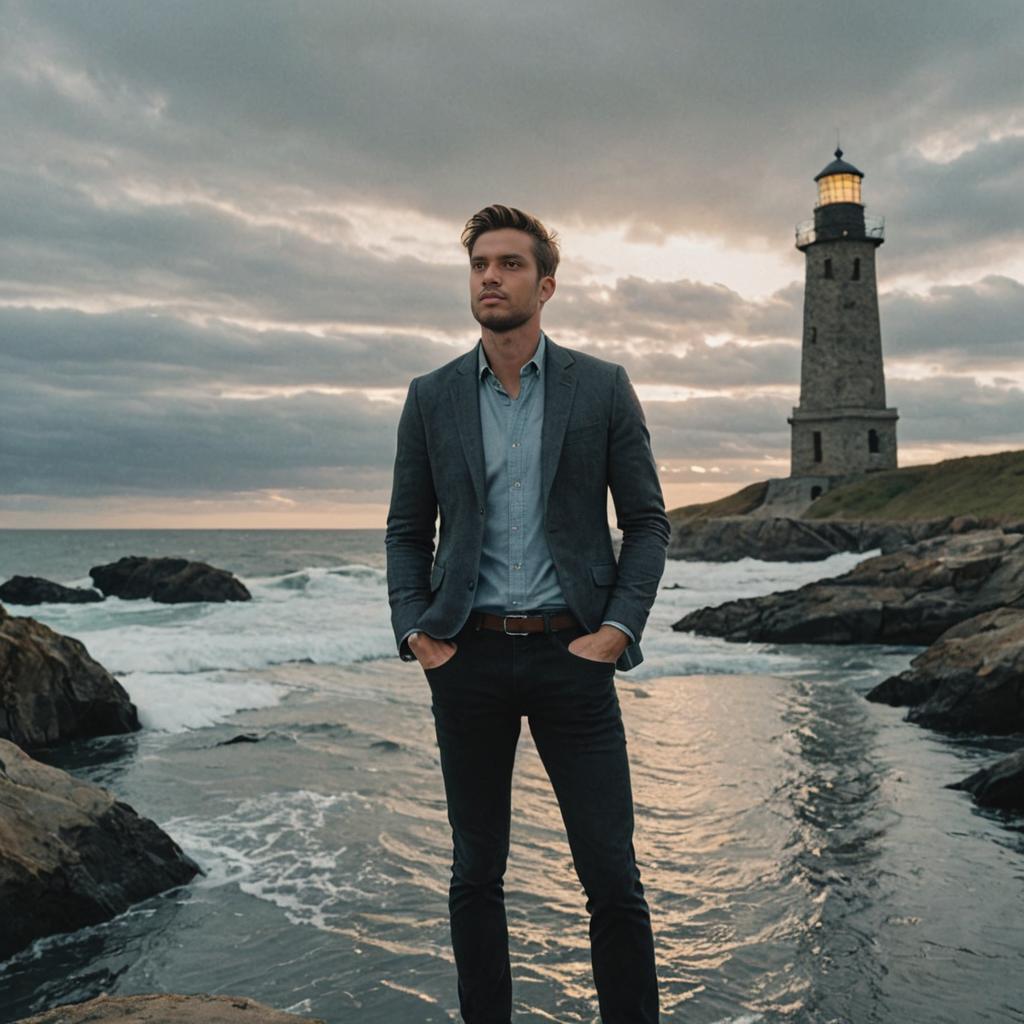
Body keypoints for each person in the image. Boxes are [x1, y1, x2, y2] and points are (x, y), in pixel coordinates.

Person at [385, 204, 669, 1023]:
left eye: (508, 265)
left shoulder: (601, 387)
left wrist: (615, 632)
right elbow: (407, 531)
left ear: (545, 285)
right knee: (476, 874)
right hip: (465, 658)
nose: (489, 278)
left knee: (611, 877)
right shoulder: (431, 396)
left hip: (570, 659)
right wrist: (418, 632)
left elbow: (647, 522)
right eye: (479, 264)